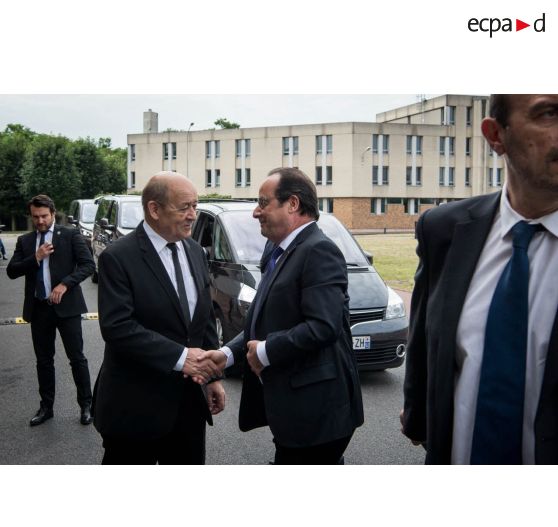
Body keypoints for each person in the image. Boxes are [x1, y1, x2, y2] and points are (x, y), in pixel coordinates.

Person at [401, 94, 558, 464]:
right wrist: (418, 417)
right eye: (548, 113)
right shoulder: (444, 231)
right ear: (495, 135)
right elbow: (424, 336)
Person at [202, 167, 364, 464]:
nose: (255, 212)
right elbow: (264, 316)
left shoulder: (319, 251)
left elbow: (323, 327)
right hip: (294, 409)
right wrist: (227, 354)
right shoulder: (276, 249)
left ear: (292, 204)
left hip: (320, 415)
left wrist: (265, 350)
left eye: (263, 203)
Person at [92, 171, 225, 465]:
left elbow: (202, 319)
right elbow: (118, 328)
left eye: (196, 205)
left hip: (188, 407)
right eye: (184, 207)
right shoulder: (119, 257)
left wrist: (212, 376)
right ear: (154, 209)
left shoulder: (194, 251)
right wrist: (181, 357)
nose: (193, 215)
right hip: (135, 409)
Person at [7, 194, 95, 426]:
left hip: (67, 308)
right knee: (43, 361)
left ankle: (86, 405)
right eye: (36, 217)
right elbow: (12, 271)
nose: (40, 221)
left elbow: (88, 265)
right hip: (39, 309)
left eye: (44, 216)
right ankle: (46, 408)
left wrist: (65, 283)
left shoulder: (70, 235)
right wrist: (35, 258)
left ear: (53, 214)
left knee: (77, 358)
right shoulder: (25, 241)